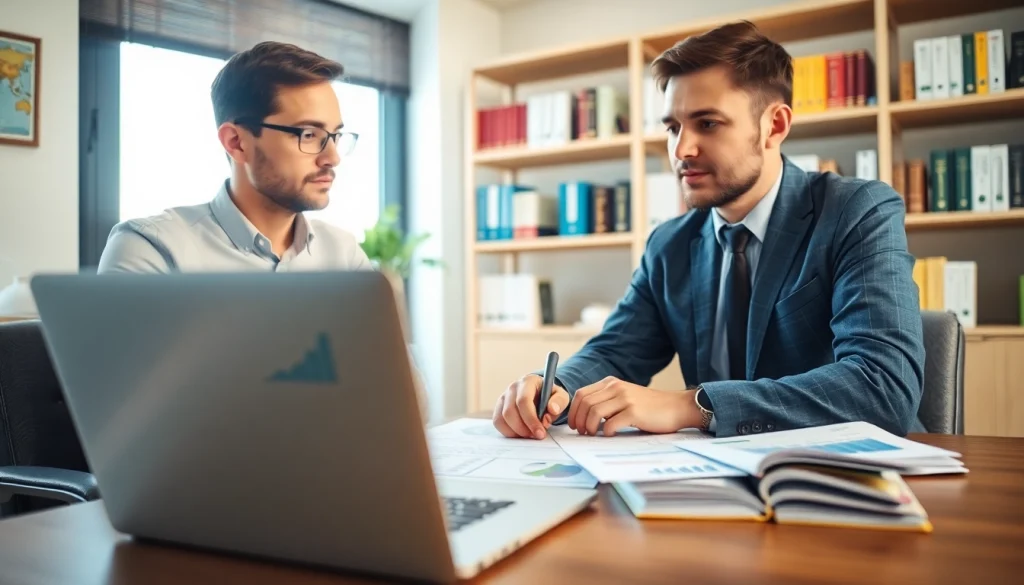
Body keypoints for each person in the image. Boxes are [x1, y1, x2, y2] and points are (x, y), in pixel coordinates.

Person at [492, 21, 926, 440]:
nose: (681, 149)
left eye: (708, 124)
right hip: (711, 478)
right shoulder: (670, 244)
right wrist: (552, 388)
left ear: (774, 125)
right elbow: (615, 350)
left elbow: (882, 386)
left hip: (848, 475)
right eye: (672, 127)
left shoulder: (856, 211)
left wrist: (692, 405)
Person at [97, 41, 372, 274]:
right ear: (236, 142)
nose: (332, 157)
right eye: (309, 135)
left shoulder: (346, 257)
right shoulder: (152, 250)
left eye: (335, 135)